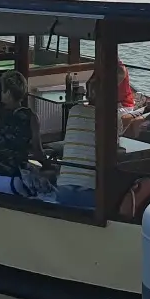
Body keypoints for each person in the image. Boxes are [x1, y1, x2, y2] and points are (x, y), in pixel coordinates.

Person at [55, 77, 100, 210]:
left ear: (86, 94)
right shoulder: (112, 117)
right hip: (90, 192)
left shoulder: (74, 111)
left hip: (63, 190)